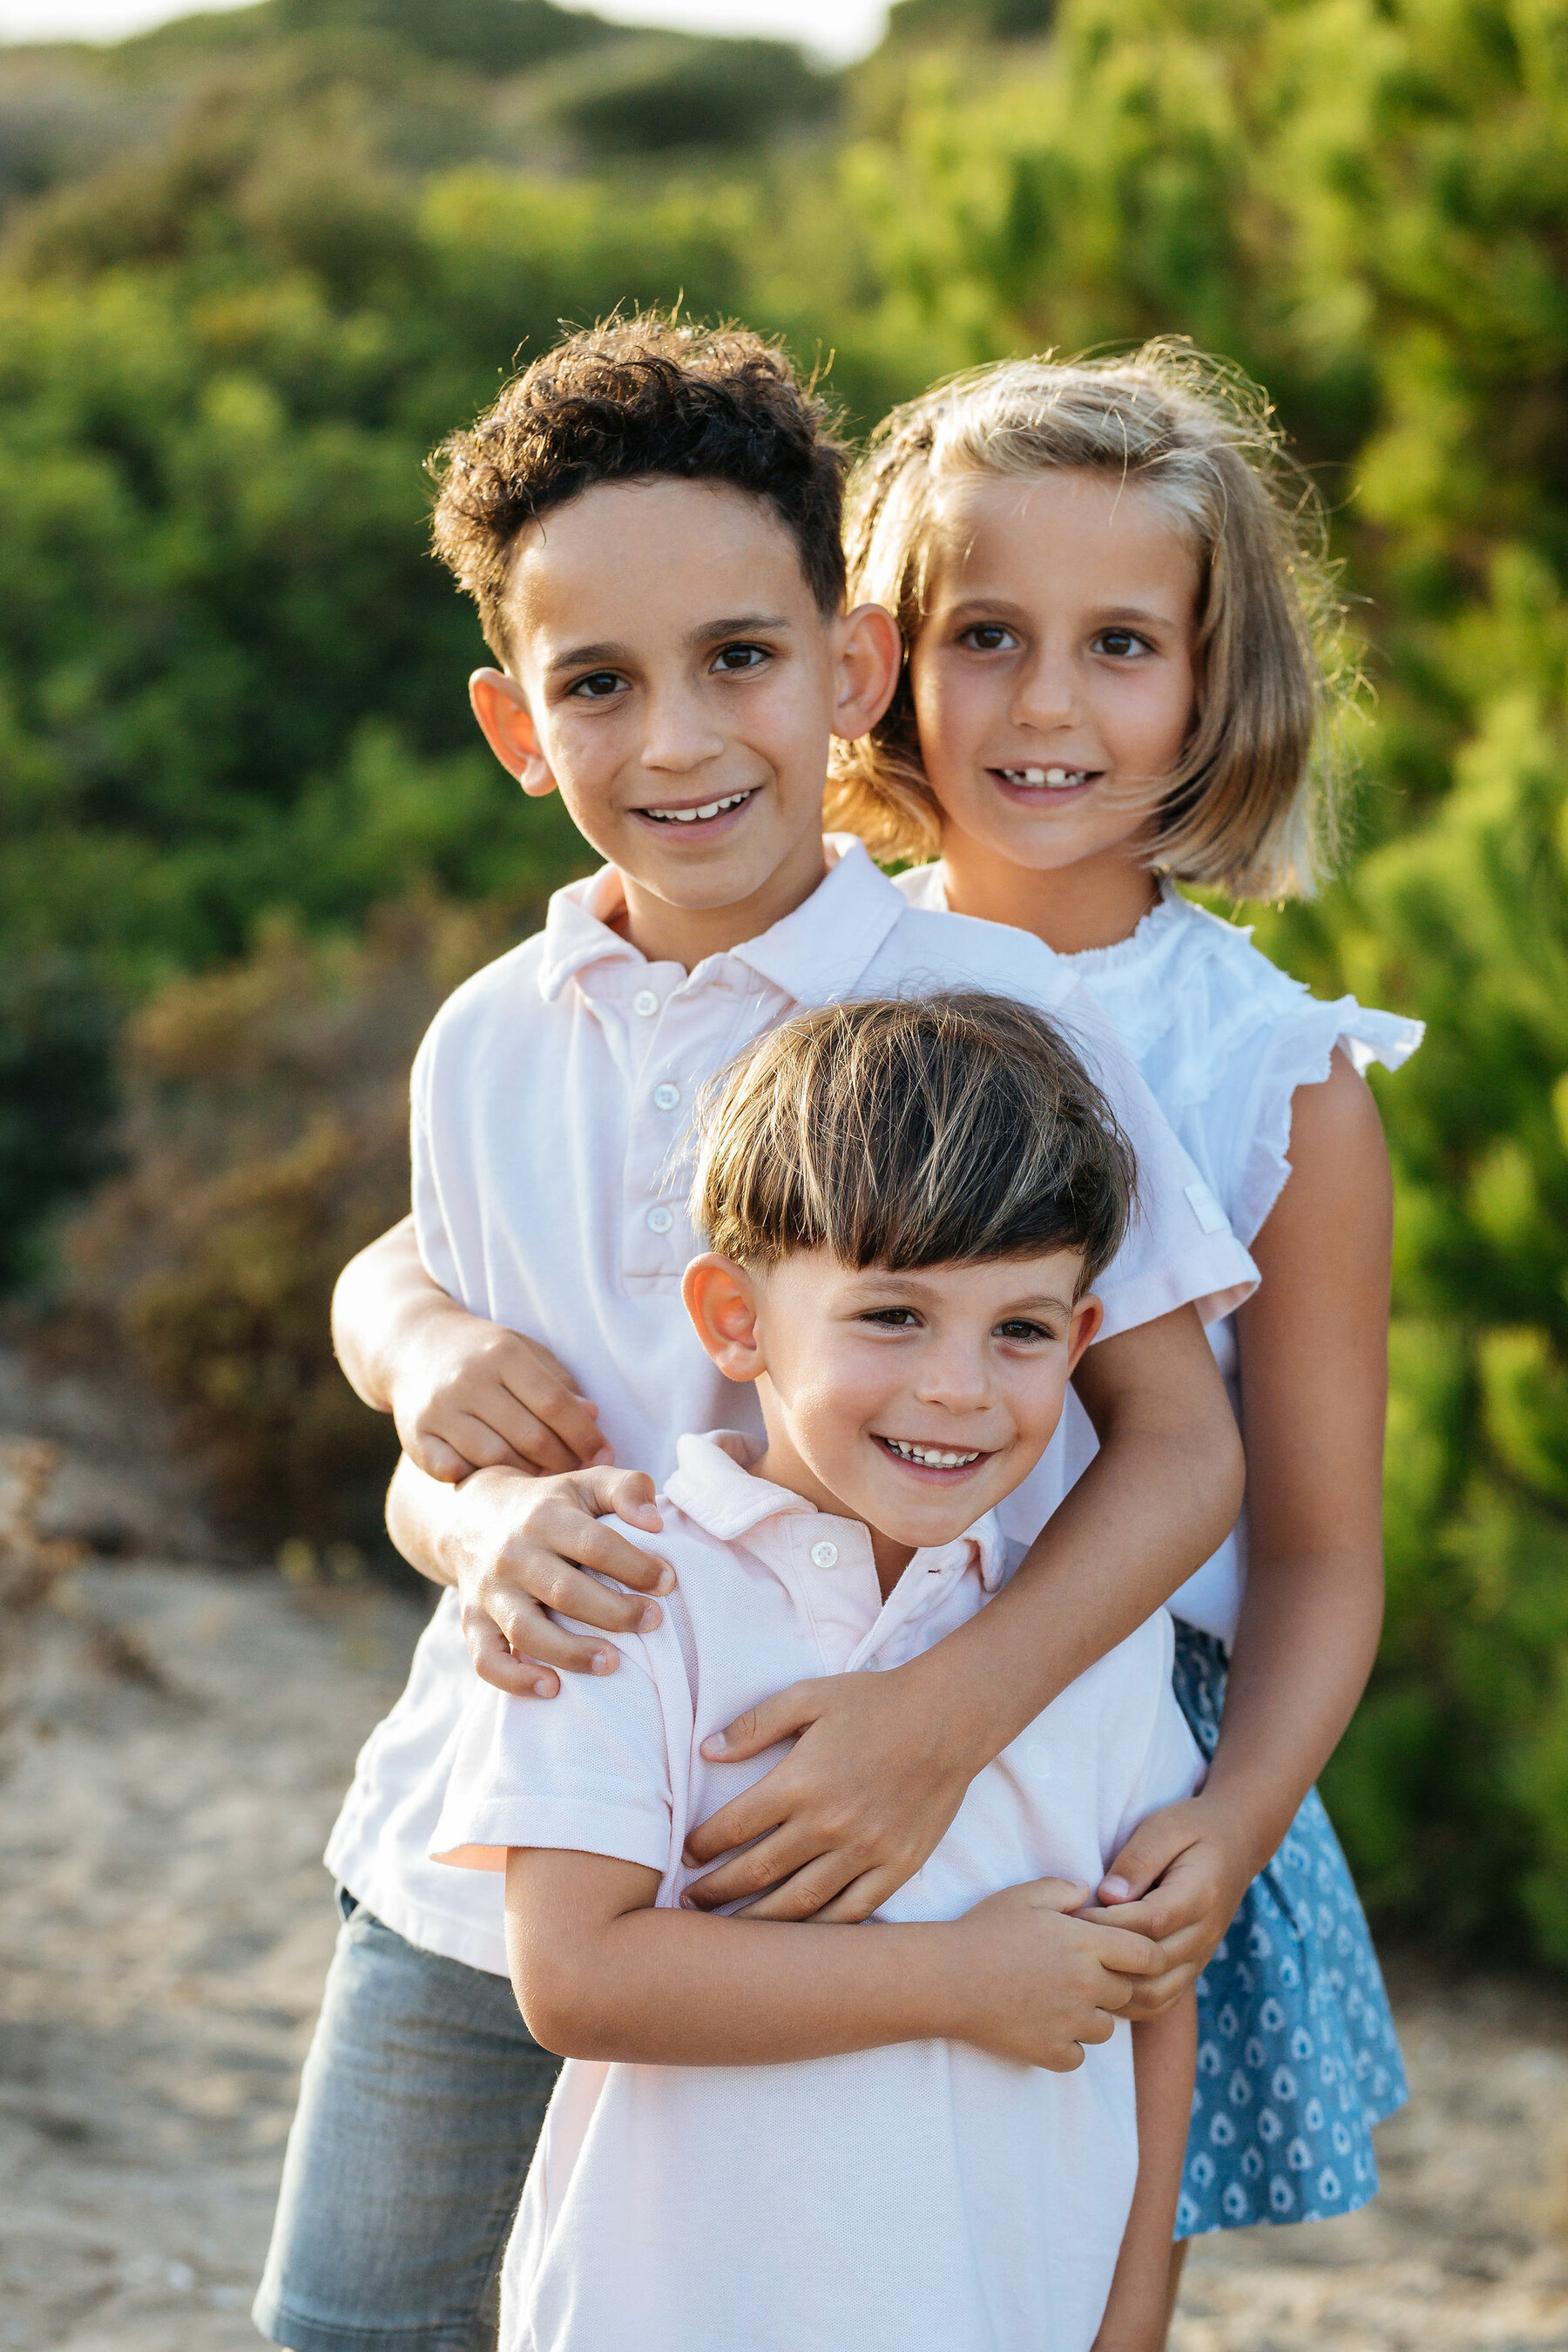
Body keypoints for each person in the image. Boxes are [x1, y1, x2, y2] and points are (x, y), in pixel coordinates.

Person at [253, 315, 1255, 2352]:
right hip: (494, 1834)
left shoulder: (996, 1006)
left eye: (740, 660)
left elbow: (1182, 1448)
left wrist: (942, 1718)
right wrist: (445, 1458)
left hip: (842, 1847)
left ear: (850, 668)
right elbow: (476, 1469)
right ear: (514, 727)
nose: (683, 740)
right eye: (598, 686)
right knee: (354, 2327)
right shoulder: (486, 1046)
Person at [828, 343, 1422, 2289]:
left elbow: (1323, 1548)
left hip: (1121, 1764)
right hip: (797, 1698)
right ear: (887, 656)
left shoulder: (1275, 1077)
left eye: (1122, 645)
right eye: (985, 633)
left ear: (1212, 680)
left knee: (1077, 2274)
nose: (1049, 705)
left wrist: (1237, 1821)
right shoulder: (806, 956)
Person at [429, 990, 1206, 2352]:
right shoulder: (626, 1590)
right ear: (735, 1320)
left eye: (1020, 1330)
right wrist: (960, 1980)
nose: (962, 1386)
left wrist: (1131, 2317)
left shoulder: (1092, 1637)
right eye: (894, 1316)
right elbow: (575, 1978)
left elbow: (1148, 1988)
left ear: (1082, 1344)